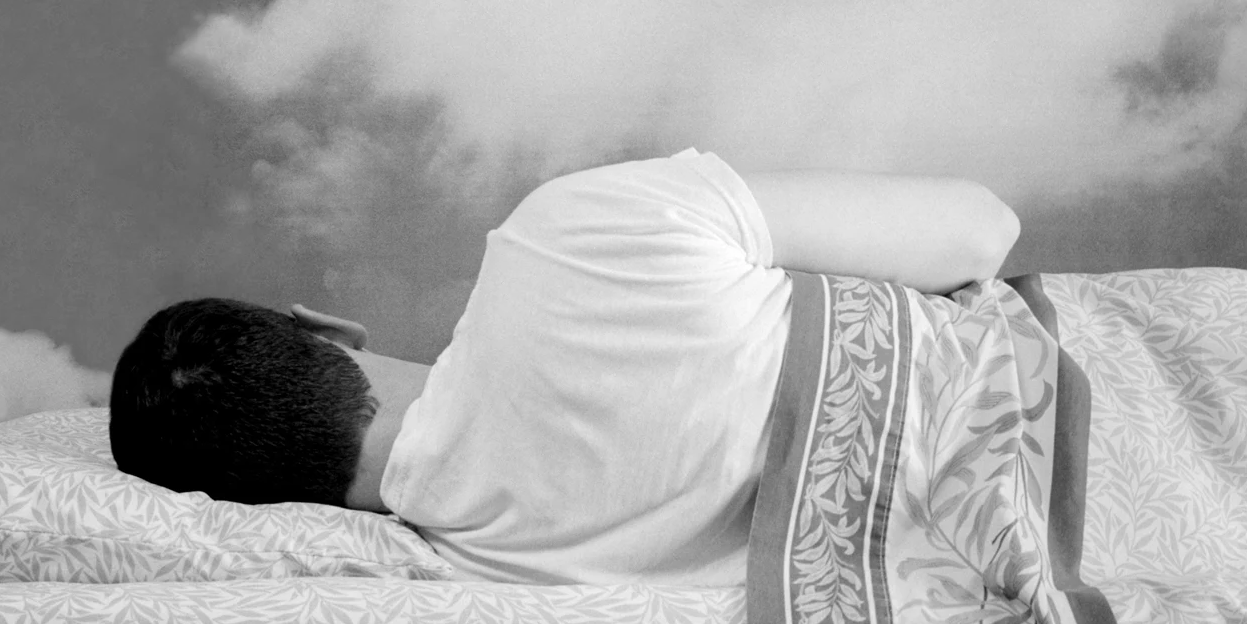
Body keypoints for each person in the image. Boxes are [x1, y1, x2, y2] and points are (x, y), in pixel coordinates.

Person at [110, 151, 1020, 584]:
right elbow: (982, 230)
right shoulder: (565, 232)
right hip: (1044, 407)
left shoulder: (485, 577)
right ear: (332, 330)